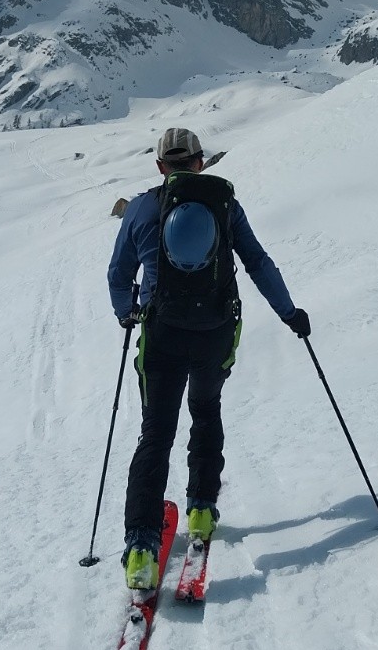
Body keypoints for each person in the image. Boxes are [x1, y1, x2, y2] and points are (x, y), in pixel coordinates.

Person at [107, 126, 310, 591]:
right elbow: (257, 262)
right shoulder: (225, 206)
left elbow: (119, 273)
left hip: (161, 336)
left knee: (156, 433)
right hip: (216, 334)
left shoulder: (141, 208)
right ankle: (201, 509)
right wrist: (289, 312)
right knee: (206, 409)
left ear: (161, 167)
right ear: (200, 162)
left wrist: (126, 313)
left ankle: (141, 549)